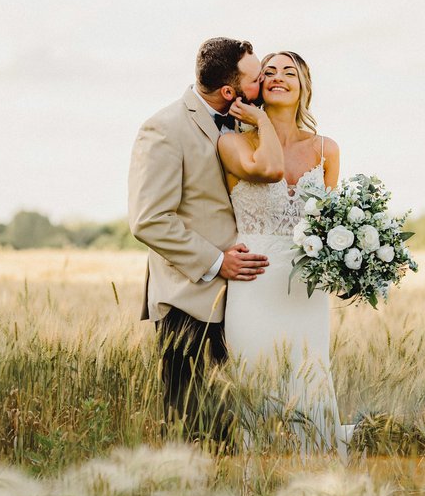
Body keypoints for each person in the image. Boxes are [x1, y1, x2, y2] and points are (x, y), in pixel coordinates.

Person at [128, 37, 270, 442]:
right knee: (195, 429)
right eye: (257, 78)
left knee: (242, 423)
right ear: (230, 91)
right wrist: (216, 261)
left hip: (246, 300)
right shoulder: (164, 128)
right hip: (188, 300)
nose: (264, 84)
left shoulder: (251, 122)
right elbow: (149, 219)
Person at [217, 51, 350, 458]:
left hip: (305, 292)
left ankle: (318, 484)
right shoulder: (233, 143)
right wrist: (258, 122)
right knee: (255, 384)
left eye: (289, 72)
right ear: (256, 87)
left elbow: (330, 225)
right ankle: (254, 483)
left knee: (311, 385)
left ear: (303, 86)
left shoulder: (327, 149)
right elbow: (267, 170)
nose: (278, 78)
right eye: (269, 72)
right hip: (253, 282)